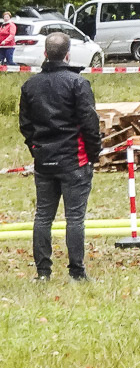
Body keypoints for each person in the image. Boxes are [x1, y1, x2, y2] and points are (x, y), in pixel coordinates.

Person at [19, 32, 99, 281]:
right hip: (74, 159)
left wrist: (36, 149)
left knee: (43, 216)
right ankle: (76, 271)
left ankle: (43, 272)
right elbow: (90, 123)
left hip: (44, 159)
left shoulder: (29, 85)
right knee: (75, 217)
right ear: (68, 54)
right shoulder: (77, 83)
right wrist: (94, 152)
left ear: (45, 54)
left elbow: (25, 125)